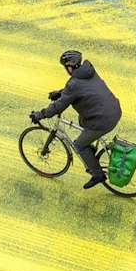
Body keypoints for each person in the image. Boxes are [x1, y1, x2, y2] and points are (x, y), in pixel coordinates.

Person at [31, 50, 122, 188]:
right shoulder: (88, 70)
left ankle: (97, 175)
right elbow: (80, 89)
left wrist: (39, 115)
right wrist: (61, 93)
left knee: (79, 145)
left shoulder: (74, 85)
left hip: (102, 121)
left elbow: (57, 107)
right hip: (114, 110)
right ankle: (90, 150)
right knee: (82, 122)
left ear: (69, 67)